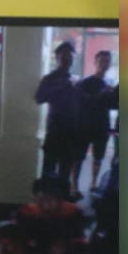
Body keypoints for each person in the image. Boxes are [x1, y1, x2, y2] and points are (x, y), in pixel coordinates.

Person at [34, 41, 82, 195]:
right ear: (57, 58)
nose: (68, 59)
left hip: (72, 131)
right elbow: (39, 98)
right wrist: (61, 86)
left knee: (66, 169)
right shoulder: (49, 78)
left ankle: (62, 200)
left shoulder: (75, 79)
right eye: (64, 56)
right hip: (55, 130)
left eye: (70, 56)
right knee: (49, 168)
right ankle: (45, 200)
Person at [75, 49, 118, 189]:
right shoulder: (85, 83)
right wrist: (103, 94)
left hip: (102, 125)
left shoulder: (109, 84)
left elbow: (113, 105)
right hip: (85, 125)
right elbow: (82, 102)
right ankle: (74, 186)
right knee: (79, 157)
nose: (105, 64)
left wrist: (114, 95)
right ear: (95, 62)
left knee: (98, 157)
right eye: (102, 60)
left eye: (107, 61)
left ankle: (93, 183)